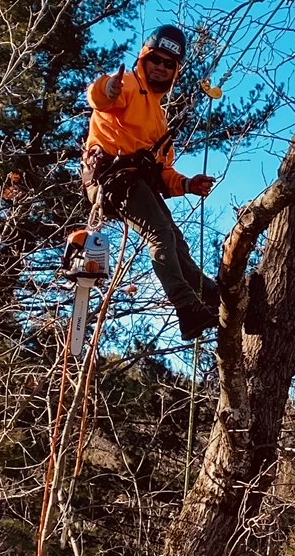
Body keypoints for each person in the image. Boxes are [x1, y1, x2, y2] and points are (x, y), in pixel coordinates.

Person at [81, 24, 223, 341]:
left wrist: (188, 184)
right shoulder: (129, 85)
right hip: (112, 178)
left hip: (137, 181)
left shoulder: (159, 119)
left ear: (175, 71)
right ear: (144, 59)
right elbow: (100, 97)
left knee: (175, 241)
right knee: (159, 233)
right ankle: (187, 308)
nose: (160, 67)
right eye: (155, 60)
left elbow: (163, 171)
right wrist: (108, 89)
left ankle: (214, 298)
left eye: (168, 64)